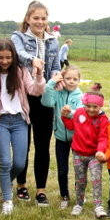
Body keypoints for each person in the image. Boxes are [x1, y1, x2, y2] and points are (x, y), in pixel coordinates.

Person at [0, 38, 46, 215]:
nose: (4, 61)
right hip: (1, 121)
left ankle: (5, 181)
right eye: (1, 57)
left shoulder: (20, 72)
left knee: (19, 162)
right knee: (5, 162)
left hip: (19, 121)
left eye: (8, 57)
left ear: (14, 57)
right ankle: (7, 199)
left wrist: (39, 74)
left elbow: (35, 90)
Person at [11, 1, 61, 206]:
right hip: (24, 95)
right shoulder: (18, 37)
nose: (40, 22)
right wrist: (33, 60)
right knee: (23, 144)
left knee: (42, 145)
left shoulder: (53, 41)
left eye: (43, 18)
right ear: (28, 19)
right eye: (36, 18)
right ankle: (21, 185)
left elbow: (56, 65)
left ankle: (41, 190)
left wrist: (56, 77)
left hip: (45, 97)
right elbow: (19, 54)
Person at [61, 83, 109, 218]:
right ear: (84, 104)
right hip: (78, 154)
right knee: (80, 181)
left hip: (94, 155)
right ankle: (79, 204)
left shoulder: (103, 119)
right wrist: (64, 116)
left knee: (96, 179)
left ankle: (98, 206)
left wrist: (100, 151)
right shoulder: (79, 113)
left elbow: (103, 137)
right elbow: (71, 126)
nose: (91, 109)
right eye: (88, 106)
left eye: (95, 107)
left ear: (100, 106)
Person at [41, 65, 84, 209]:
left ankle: (80, 194)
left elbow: (81, 114)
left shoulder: (80, 96)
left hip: (77, 138)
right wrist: (51, 83)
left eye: (75, 79)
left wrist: (69, 113)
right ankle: (64, 195)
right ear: (62, 79)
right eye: (68, 78)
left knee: (79, 168)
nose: (71, 81)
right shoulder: (57, 92)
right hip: (60, 137)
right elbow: (46, 102)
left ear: (79, 81)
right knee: (62, 169)